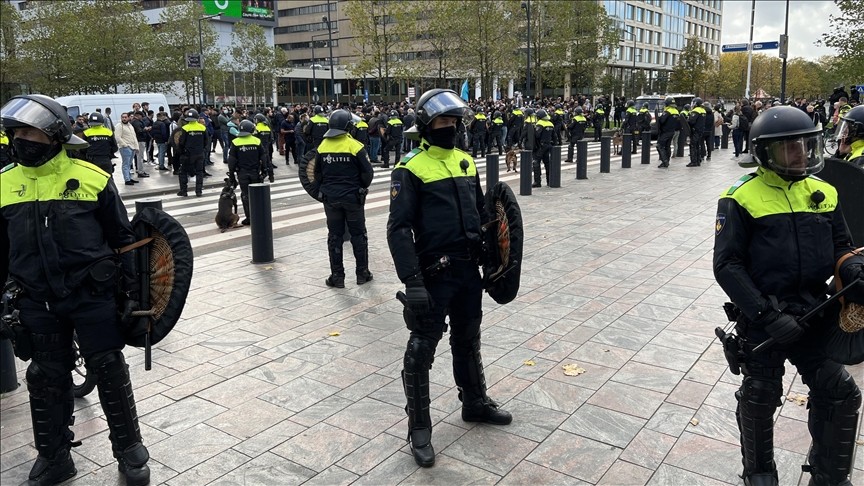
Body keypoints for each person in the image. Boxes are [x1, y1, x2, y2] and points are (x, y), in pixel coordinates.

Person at [0, 94, 151, 486]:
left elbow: (124, 242)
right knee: (45, 377)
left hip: (92, 298)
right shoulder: (3, 184)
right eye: (15, 132)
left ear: (53, 134)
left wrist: (135, 296)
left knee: (109, 369)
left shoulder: (93, 178)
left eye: (28, 130)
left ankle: (129, 449)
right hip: (36, 301)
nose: (21, 139)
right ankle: (54, 458)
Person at [713, 106, 862, 486]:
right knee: (759, 397)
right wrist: (765, 314)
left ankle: (829, 473)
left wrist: (853, 272)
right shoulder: (740, 197)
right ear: (765, 153)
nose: (799, 153)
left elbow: (842, 246)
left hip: (815, 312)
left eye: (804, 144)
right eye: (788, 147)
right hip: (765, 320)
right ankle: (759, 474)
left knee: (841, 393)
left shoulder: (824, 191)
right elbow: (727, 264)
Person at [387, 88, 512, 468]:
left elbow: (480, 213)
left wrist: (494, 258)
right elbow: (398, 229)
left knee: (468, 339)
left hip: (467, 270)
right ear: (427, 125)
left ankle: (474, 402)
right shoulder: (409, 167)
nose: (452, 127)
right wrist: (412, 281)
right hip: (432, 274)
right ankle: (419, 429)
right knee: (421, 350)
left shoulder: (465, 161)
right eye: (444, 121)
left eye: (456, 122)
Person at [315, 109, 374, 287]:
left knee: (334, 236)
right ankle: (362, 273)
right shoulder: (355, 146)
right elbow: (367, 174)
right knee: (358, 235)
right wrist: (360, 187)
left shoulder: (322, 146)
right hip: (353, 198)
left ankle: (337, 276)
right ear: (348, 126)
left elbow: (317, 174)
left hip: (331, 199)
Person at [227, 120, 269, 226]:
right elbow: (263, 157)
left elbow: (231, 161)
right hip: (255, 172)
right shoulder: (256, 141)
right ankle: (258, 216)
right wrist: (265, 170)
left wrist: (232, 175)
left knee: (245, 195)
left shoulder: (235, 142)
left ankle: (249, 217)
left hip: (242, 173)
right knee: (257, 195)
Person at [175, 109, 209, 197]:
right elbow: (206, 141)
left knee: (183, 172)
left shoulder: (185, 128)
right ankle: (198, 191)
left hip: (188, 154)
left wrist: (181, 152)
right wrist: (202, 148)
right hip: (199, 153)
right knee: (199, 172)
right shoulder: (202, 127)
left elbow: (182, 142)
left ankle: (184, 190)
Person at [114, 112, 140, 185]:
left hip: (132, 147)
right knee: (126, 164)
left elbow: (134, 137)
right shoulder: (119, 126)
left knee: (129, 164)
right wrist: (125, 145)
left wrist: (136, 147)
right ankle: (127, 179)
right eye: (123, 117)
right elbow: (117, 137)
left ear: (128, 118)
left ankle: (129, 177)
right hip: (125, 148)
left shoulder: (130, 126)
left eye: (125, 117)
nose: (124, 118)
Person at [532, 109, 555, 188]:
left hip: (541, 146)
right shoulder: (551, 124)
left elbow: (537, 135)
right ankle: (549, 181)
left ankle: (537, 182)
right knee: (547, 163)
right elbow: (554, 136)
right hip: (548, 145)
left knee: (536, 163)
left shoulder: (540, 124)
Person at [655, 97, 679, 168]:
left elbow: (662, 121)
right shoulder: (676, 111)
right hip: (672, 131)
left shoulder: (667, 111)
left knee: (660, 146)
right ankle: (667, 161)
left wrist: (659, 119)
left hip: (665, 132)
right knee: (667, 146)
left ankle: (665, 161)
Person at [687, 97, 706, 167]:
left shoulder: (696, 111)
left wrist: (687, 120)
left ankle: (693, 161)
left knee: (693, 145)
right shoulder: (703, 110)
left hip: (695, 130)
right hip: (701, 130)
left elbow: (691, 121)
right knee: (698, 146)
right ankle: (698, 161)